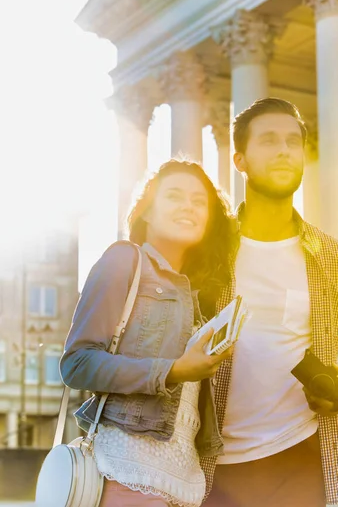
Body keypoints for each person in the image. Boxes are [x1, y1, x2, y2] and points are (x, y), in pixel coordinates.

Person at [201, 98, 338, 507]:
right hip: (210, 466)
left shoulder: (333, 256)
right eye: (268, 141)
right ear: (240, 159)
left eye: (292, 141)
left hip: (300, 460)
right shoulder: (208, 251)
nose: (284, 150)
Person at [60, 159, 236, 507]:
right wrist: (172, 370)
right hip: (127, 475)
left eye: (199, 201)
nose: (188, 206)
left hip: (186, 483)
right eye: (174, 196)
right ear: (148, 213)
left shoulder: (202, 295)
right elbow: (77, 363)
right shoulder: (124, 260)